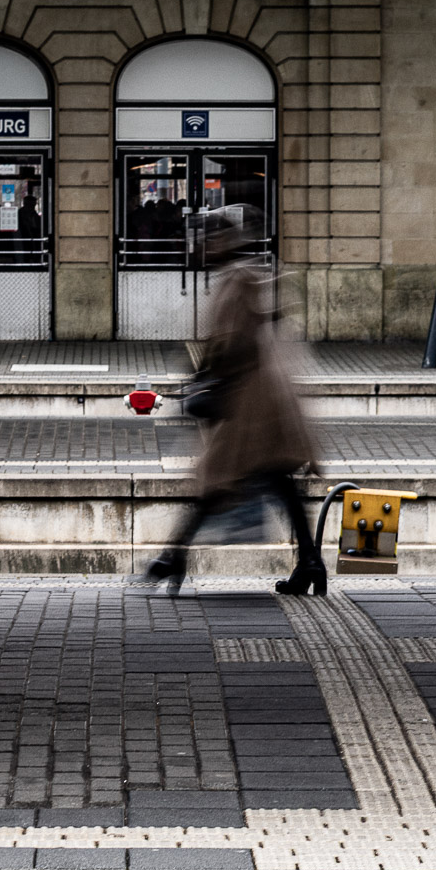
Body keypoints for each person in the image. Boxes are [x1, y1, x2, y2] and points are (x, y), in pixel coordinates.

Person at [142, 211, 322, 597]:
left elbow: (232, 341)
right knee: (275, 480)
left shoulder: (239, 278)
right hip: (261, 397)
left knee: (216, 477)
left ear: (225, 241)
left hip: (250, 401)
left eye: (209, 241)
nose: (202, 249)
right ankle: (309, 562)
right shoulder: (248, 274)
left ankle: (173, 557)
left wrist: (205, 376)